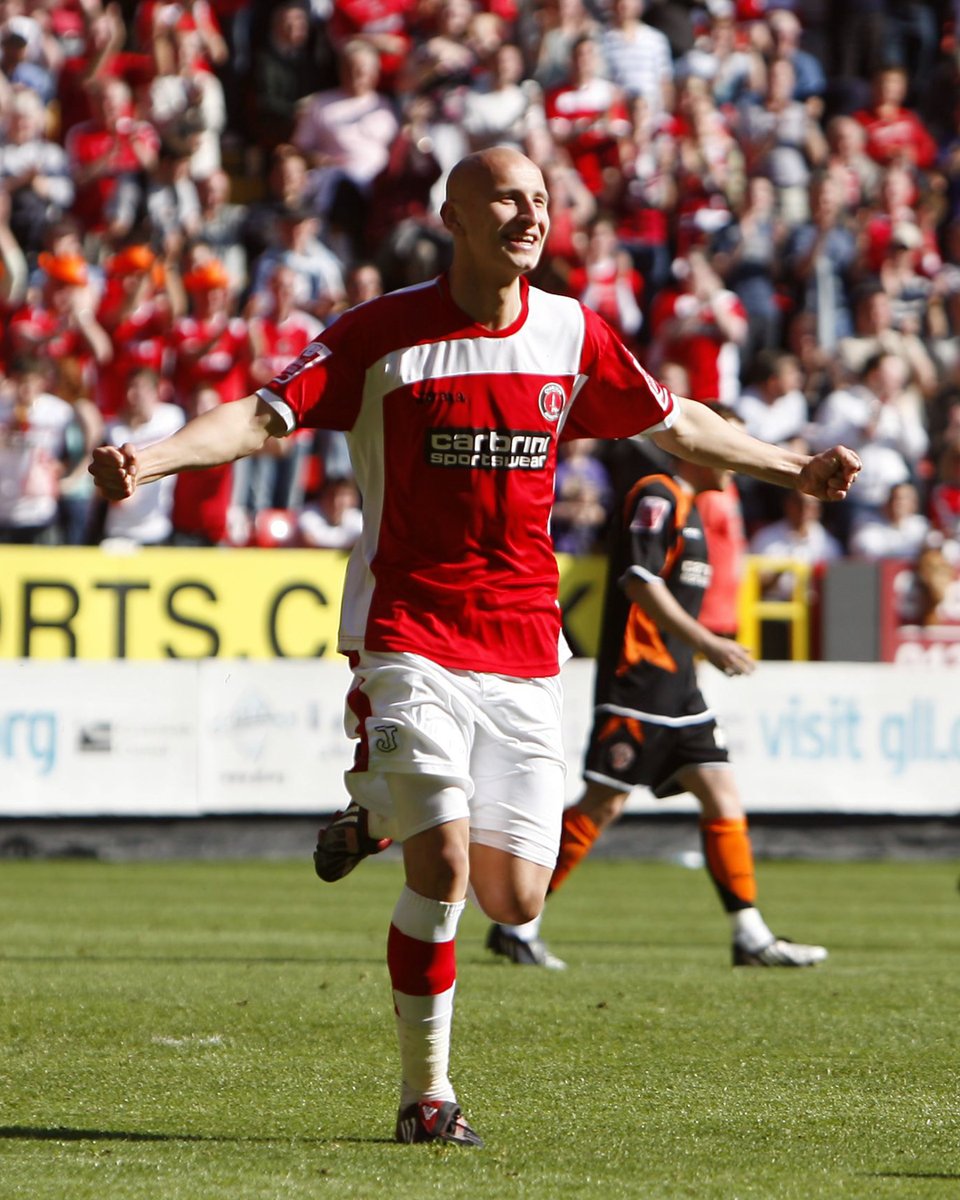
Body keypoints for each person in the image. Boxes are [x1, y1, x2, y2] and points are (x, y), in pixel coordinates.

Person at [89, 147, 861, 1150]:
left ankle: (377, 811)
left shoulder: (570, 331)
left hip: (526, 646)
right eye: (507, 198)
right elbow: (259, 416)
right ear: (452, 215)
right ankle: (429, 1096)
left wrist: (792, 469)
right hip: (410, 632)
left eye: (541, 200)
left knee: (516, 895)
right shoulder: (380, 333)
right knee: (447, 867)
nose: (530, 215)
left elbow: (677, 425)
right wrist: (149, 460)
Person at [486, 449, 830, 972]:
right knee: (603, 803)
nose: (735, 461)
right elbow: (638, 580)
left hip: (680, 687)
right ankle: (516, 922)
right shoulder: (657, 495)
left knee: (720, 793)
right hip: (638, 681)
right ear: (698, 450)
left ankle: (751, 935)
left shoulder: (693, 508)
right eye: (726, 446)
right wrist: (707, 642)